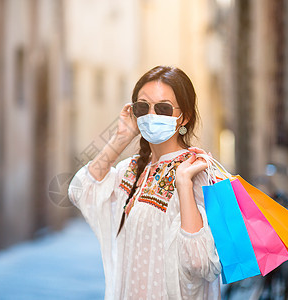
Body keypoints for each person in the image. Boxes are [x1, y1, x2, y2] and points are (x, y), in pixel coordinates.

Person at [68, 66, 221, 299]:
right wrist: (120, 138)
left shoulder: (197, 171)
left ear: (185, 117)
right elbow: (80, 190)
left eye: (163, 108)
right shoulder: (130, 170)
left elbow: (199, 263)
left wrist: (183, 184)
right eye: (143, 107)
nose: (151, 115)